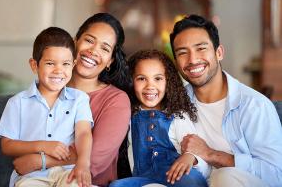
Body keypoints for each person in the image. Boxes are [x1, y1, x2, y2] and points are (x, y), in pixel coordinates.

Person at [12, 13, 131, 186]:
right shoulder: (45, 90)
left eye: (105, 48)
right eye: (89, 40)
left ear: (110, 61)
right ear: (75, 42)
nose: (93, 51)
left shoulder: (116, 100)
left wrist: (40, 161)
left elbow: (96, 157)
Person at [170, 14, 282, 187]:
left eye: (201, 48)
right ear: (176, 61)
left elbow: (276, 175)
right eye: (183, 53)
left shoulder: (254, 105)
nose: (192, 60)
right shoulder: (176, 104)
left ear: (219, 52)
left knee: (225, 177)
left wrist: (211, 154)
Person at [0, 27, 94, 187]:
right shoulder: (17, 102)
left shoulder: (80, 99)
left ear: (73, 64)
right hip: (31, 176)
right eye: (50, 63)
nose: (59, 70)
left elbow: (83, 134)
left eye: (66, 64)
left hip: (68, 171)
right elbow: (7, 146)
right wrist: (42, 145)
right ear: (34, 65)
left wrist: (83, 163)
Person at [109, 49, 209, 187]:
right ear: (131, 81)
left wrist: (190, 157)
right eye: (141, 78)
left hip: (176, 176)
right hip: (143, 178)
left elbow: (196, 151)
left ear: (169, 82)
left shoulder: (178, 115)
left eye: (158, 78)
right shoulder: (128, 114)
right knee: (116, 185)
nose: (150, 86)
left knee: (191, 181)